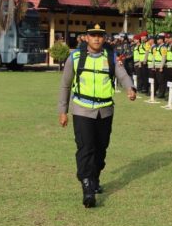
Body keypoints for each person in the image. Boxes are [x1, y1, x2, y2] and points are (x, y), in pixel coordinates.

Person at [57, 22, 136, 208]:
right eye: (93, 35)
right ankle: (87, 187)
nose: (97, 38)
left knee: (101, 149)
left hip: (105, 110)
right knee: (85, 149)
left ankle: (95, 178)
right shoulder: (75, 58)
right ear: (86, 37)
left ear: (104, 38)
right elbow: (65, 85)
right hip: (82, 109)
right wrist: (63, 111)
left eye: (100, 35)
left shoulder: (110, 57)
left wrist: (130, 87)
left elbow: (122, 74)